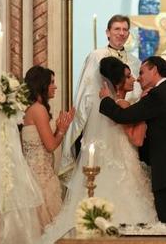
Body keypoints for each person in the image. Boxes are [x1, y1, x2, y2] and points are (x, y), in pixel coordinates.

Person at [41, 57, 157, 244]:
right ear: (118, 82)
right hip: (124, 165)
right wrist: (142, 116)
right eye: (128, 76)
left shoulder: (105, 104)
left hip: (108, 163)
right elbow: (135, 138)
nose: (134, 79)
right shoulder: (123, 106)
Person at [99, 56, 166, 225]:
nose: (138, 77)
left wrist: (105, 100)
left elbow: (124, 116)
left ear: (154, 69)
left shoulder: (158, 95)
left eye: (141, 72)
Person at [59, 14, 142, 173]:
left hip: (125, 117)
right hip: (100, 116)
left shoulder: (134, 61)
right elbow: (87, 90)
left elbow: (136, 92)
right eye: (117, 29)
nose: (121, 33)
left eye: (125, 29)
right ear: (108, 32)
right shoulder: (96, 56)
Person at [22, 66, 75, 231]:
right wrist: (62, 130)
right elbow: (50, 145)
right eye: (52, 82)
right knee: (47, 229)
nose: (55, 86)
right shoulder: (39, 110)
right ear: (42, 84)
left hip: (36, 174)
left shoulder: (32, 108)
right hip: (40, 179)